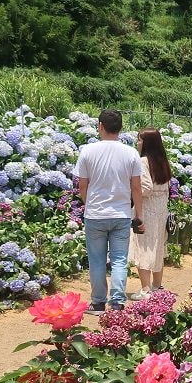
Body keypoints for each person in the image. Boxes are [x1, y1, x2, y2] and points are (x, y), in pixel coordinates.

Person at [72, 109, 145, 314]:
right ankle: (117, 302)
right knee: (120, 259)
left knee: (96, 260)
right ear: (121, 128)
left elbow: (82, 185)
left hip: (95, 214)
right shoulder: (130, 153)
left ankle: (97, 303)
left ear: (100, 126)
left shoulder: (87, 151)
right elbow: (136, 188)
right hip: (121, 214)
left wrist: (89, 205)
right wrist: (139, 216)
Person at [128, 128, 172, 300]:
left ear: (146, 143)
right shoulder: (163, 161)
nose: (137, 143)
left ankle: (145, 289)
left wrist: (131, 190)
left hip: (147, 209)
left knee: (144, 247)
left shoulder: (143, 161)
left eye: (139, 139)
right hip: (161, 209)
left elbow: (145, 188)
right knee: (158, 246)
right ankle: (157, 286)